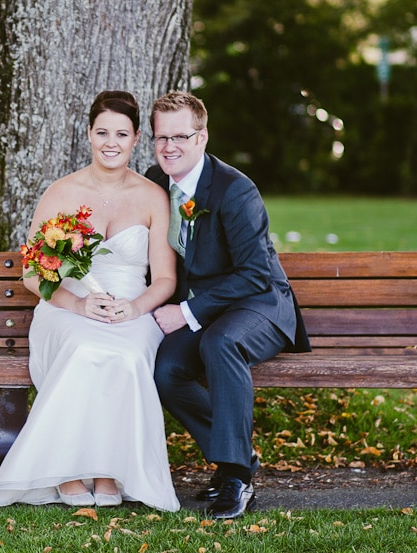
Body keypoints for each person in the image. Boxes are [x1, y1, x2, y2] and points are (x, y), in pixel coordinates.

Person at [0, 91, 180, 511]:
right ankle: (68, 471)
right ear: (89, 134)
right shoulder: (61, 192)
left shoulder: (152, 197)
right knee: (84, 347)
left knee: (125, 356)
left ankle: (109, 470)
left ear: (136, 137)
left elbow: (164, 279)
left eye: (121, 134)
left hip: (131, 307)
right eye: (102, 132)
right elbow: (33, 273)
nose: (111, 142)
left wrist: (135, 308)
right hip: (66, 308)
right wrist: (77, 305)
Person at [147, 91, 310, 519]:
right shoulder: (154, 181)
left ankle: (236, 477)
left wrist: (183, 313)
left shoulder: (235, 190)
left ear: (202, 137)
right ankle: (236, 457)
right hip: (207, 310)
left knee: (219, 344)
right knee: (166, 371)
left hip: (260, 305)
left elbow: (256, 274)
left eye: (180, 136)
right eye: (161, 137)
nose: (169, 147)